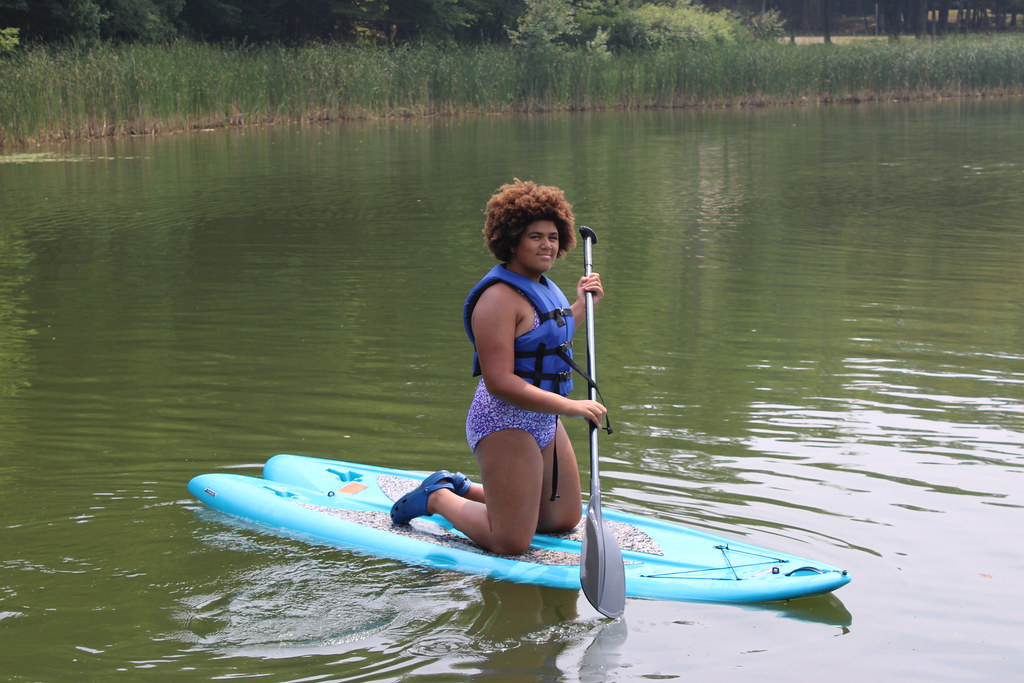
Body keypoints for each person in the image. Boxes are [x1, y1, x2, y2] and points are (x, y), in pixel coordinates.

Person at [390, 179, 607, 555]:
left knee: (560, 521)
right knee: (510, 542)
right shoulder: (497, 299)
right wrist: (571, 406)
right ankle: (438, 497)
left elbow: (546, 336)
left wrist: (581, 306)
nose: (547, 245)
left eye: (553, 237)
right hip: (505, 420)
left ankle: (462, 488)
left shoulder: (543, 285)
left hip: (542, 416)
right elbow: (500, 382)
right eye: (535, 236)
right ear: (511, 241)